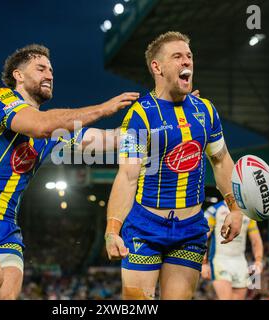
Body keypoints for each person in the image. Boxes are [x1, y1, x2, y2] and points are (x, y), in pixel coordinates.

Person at [0, 44, 139, 300]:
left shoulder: (54, 131)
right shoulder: (1, 100)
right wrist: (103, 109)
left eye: (52, 70)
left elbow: (111, 140)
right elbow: (40, 125)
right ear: (18, 75)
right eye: (41, 68)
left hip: (6, 225)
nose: (50, 75)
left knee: (5, 297)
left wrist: (164, 125)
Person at [104, 31, 243, 300]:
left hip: (190, 229)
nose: (186, 62)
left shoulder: (206, 111)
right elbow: (127, 176)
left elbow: (222, 160)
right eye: (177, 57)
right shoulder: (140, 115)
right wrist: (112, 230)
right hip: (145, 228)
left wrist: (235, 208)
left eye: (189, 56)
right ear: (157, 67)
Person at [201, 200, 264, 300]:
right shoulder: (214, 210)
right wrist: (204, 263)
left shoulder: (249, 212)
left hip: (240, 262)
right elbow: (202, 237)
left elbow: (256, 240)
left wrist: (258, 261)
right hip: (220, 260)